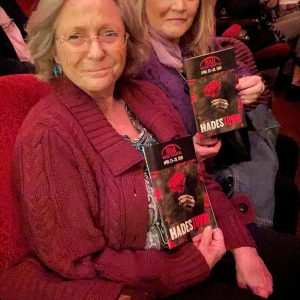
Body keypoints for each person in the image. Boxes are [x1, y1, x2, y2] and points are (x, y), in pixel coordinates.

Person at [0, 0, 299, 299]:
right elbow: (77, 263)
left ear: (127, 40)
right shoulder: (47, 136)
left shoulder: (147, 96)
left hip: (202, 238)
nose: (96, 51)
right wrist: (187, 265)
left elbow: (198, 179)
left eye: (109, 34)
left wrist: (243, 246)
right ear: (52, 47)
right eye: (75, 36)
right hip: (151, 280)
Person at [134, 0, 300, 233]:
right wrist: (188, 150)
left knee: (288, 153)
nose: (181, 6)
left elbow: (222, 59)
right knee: (284, 192)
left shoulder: (188, 42)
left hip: (217, 153)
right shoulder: (133, 63)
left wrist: (249, 83)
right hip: (184, 191)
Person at [0, 0, 35, 75]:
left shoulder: (7, 2)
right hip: (20, 72)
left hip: (36, 55)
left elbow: (26, 24)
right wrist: (28, 68)